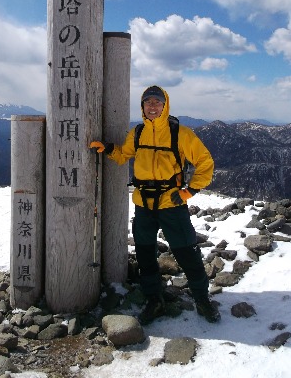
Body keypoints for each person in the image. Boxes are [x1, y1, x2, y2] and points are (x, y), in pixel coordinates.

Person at [90, 85, 220, 325]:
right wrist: (108, 149)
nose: (152, 106)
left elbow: (205, 161)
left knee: (186, 250)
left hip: (172, 202)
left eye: (157, 102)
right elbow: (123, 154)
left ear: (165, 105)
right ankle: (154, 299)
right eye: (148, 102)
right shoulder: (137, 133)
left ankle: (202, 298)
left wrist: (189, 191)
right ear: (143, 107)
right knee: (145, 253)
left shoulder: (180, 133)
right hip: (143, 203)